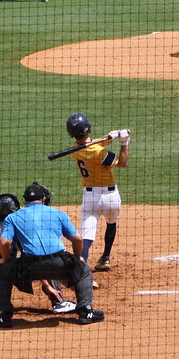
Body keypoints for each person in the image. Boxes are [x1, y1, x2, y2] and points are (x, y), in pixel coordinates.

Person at [0, 182, 104, 328]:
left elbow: (4, 243)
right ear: (43, 199)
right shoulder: (57, 213)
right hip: (59, 264)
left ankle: (2, 316)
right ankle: (86, 312)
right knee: (84, 271)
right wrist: (78, 257)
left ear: (25, 200)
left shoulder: (13, 217)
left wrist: (5, 259)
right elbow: (78, 239)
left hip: (29, 267)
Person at [65, 113, 129, 274]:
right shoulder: (97, 152)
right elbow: (122, 162)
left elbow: (94, 144)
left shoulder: (75, 149)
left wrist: (109, 138)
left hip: (90, 198)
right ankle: (105, 257)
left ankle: (81, 268)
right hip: (110, 197)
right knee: (111, 223)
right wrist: (124, 143)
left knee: (86, 236)